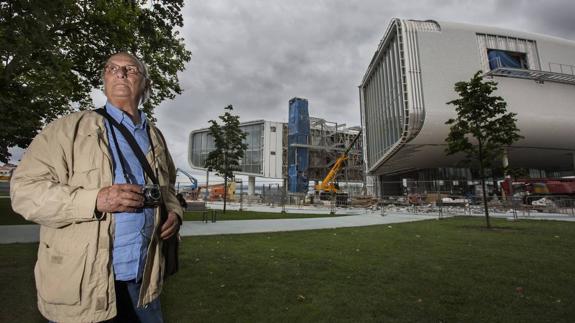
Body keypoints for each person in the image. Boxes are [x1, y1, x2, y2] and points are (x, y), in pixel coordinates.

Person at [10, 52, 183, 323]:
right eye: (112, 68)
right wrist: (95, 200)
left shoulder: (155, 137)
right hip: (85, 285)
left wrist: (173, 212)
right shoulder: (68, 130)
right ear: (104, 79)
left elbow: (168, 188)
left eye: (130, 69)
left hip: (144, 284)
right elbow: (24, 192)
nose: (120, 74)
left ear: (146, 85)